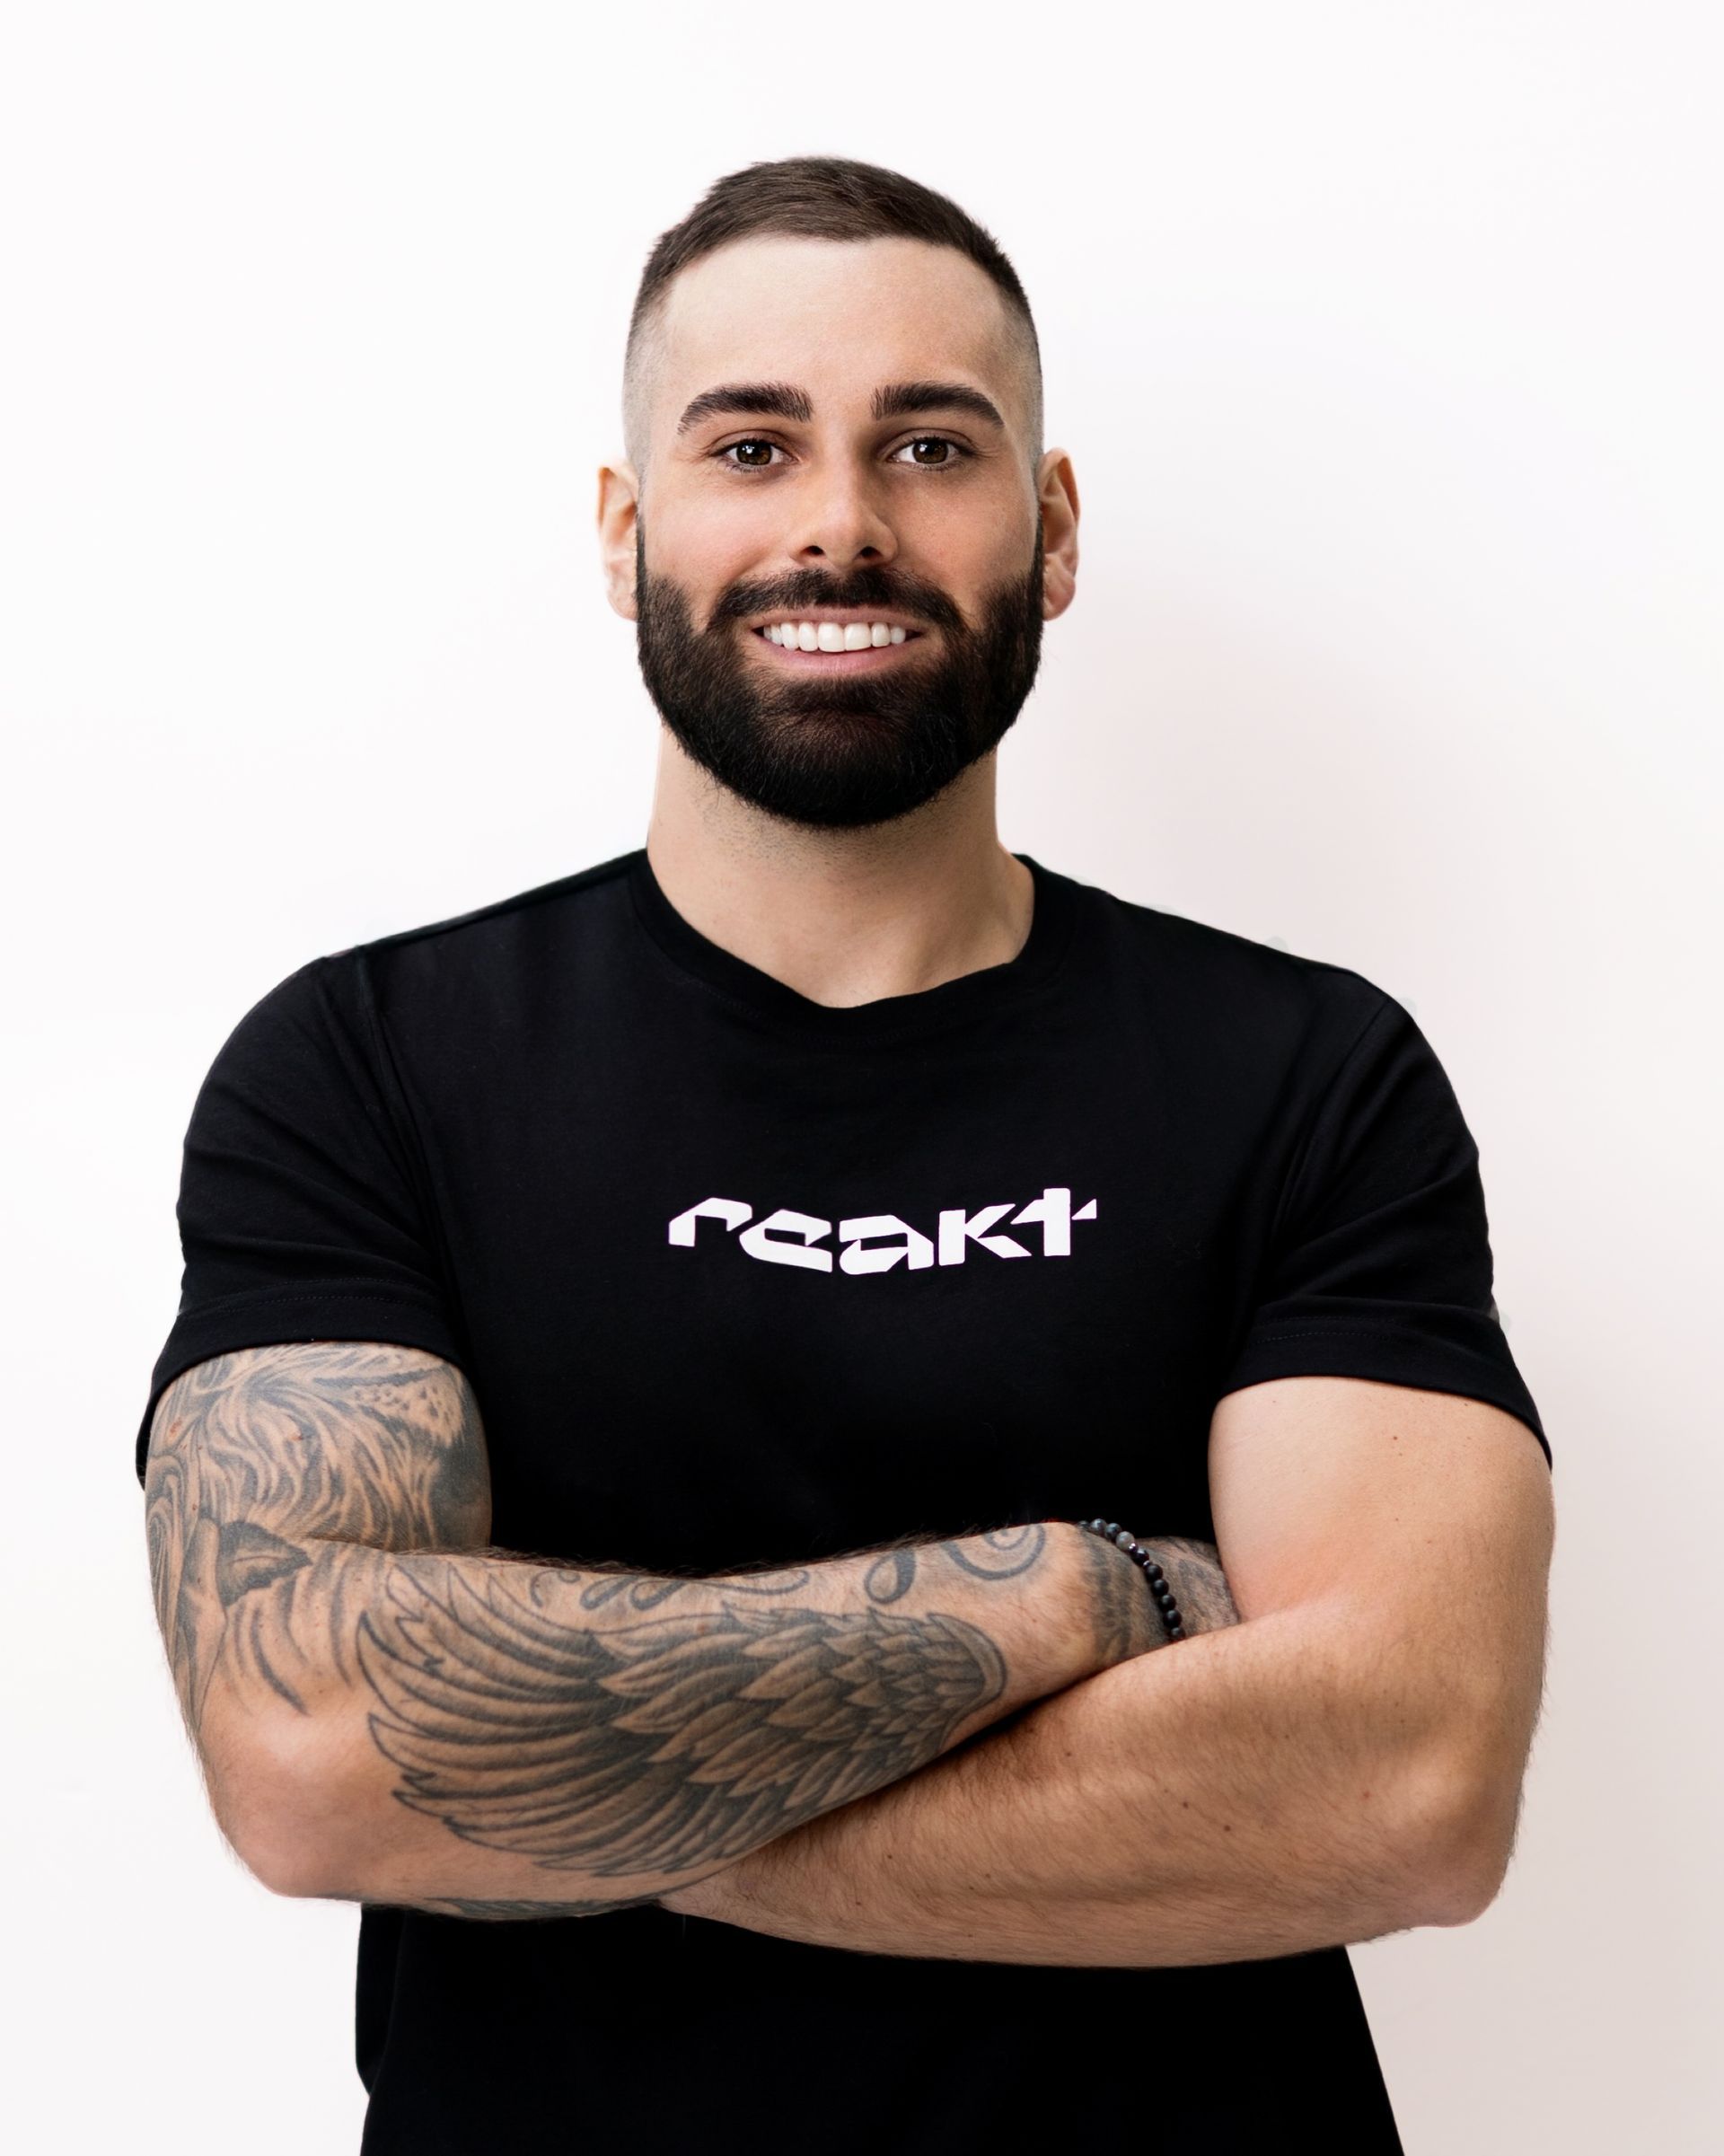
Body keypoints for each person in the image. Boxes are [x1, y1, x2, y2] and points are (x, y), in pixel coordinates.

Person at [136, 155, 1555, 2153]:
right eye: (750, 442)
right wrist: (1086, 1598)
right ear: (629, 530)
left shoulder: (1305, 1070)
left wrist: (547, 1777)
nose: (838, 521)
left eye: (930, 444)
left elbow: (1406, 1782)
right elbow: (307, 1749)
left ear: (1048, 530)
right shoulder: (366, 1067)